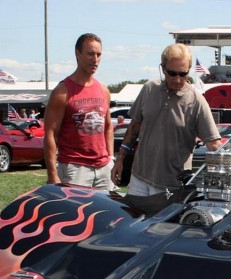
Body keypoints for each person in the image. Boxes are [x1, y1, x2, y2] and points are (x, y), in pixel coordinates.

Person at [112, 43, 221, 196]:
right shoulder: (149, 89)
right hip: (139, 179)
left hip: (172, 187)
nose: (177, 79)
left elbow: (214, 144)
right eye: (172, 73)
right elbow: (134, 128)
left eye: (183, 74)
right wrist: (120, 159)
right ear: (163, 69)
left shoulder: (197, 101)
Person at [44, 33, 114, 189]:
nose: (95, 59)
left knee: (105, 213)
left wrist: (110, 158)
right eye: (90, 54)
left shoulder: (103, 90)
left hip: (103, 169)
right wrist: (52, 174)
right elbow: (50, 134)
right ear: (77, 53)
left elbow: (108, 127)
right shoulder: (62, 91)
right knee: (75, 213)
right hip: (74, 168)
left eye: (98, 54)